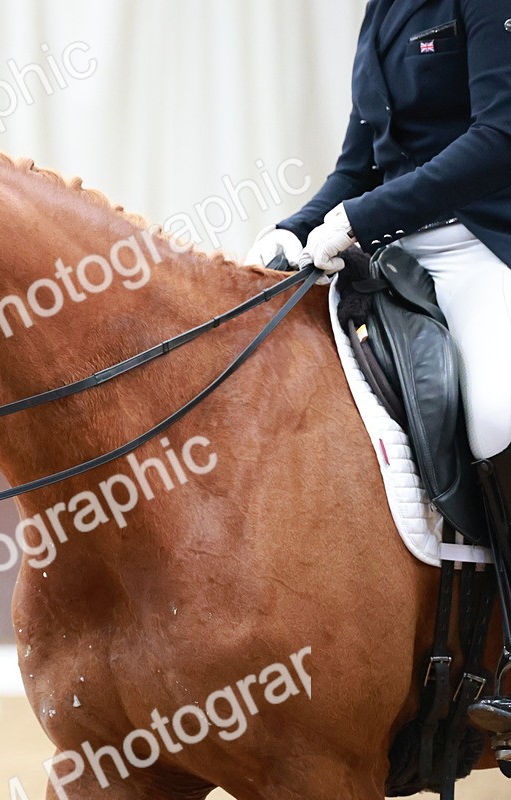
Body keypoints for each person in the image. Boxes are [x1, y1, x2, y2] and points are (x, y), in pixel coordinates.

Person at [245, 0, 511, 736]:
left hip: (484, 243)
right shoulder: (385, 8)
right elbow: (360, 163)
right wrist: (294, 227)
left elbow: (499, 138)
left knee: (496, 412)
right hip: (394, 251)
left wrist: (363, 216)